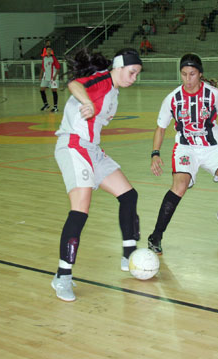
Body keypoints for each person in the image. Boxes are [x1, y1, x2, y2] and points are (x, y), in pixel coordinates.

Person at [51, 48, 143, 302]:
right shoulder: (103, 80)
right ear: (118, 67)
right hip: (73, 146)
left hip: (91, 149)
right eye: (132, 72)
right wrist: (88, 102)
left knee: (128, 195)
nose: (134, 79)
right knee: (80, 211)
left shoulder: (113, 91)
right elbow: (74, 84)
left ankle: (128, 256)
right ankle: (62, 277)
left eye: (137, 75)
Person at [147, 54, 218, 255]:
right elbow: (160, 128)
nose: (188, 79)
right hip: (186, 148)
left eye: (192, 74)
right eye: (184, 74)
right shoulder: (172, 98)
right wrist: (155, 153)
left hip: (211, 147)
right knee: (179, 186)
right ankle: (156, 235)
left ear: (200, 74)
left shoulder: (213, 94)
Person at [39, 47, 61, 113]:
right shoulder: (44, 58)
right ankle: (46, 104)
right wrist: (40, 75)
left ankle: (55, 107)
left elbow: (58, 68)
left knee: (54, 90)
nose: (49, 51)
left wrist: (55, 76)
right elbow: (43, 68)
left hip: (53, 76)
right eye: (47, 50)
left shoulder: (53, 58)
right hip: (46, 77)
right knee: (42, 90)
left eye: (50, 50)